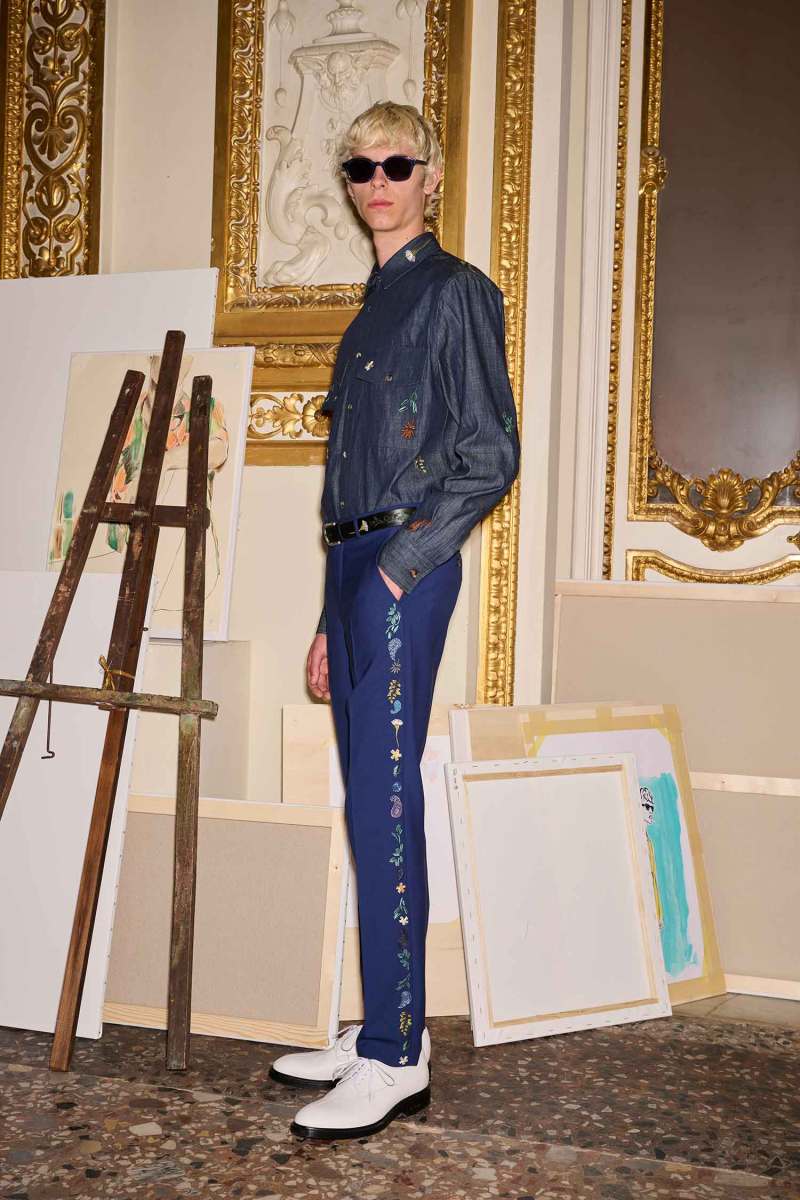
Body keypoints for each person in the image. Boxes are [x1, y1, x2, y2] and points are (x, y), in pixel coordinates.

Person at [270, 100, 520, 1140]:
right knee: (368, 806)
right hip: (354, 568)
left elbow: (489, 456)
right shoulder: (374, 305)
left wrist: (394, 574)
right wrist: (328, 612)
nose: (377, 181)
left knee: (384, 803)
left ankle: (396, 1055)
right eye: (360, 167)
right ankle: (383, 1026)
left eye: (397, 164)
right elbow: (352, 478)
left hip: (398, 567)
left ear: (431, 176)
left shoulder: (455, 292)